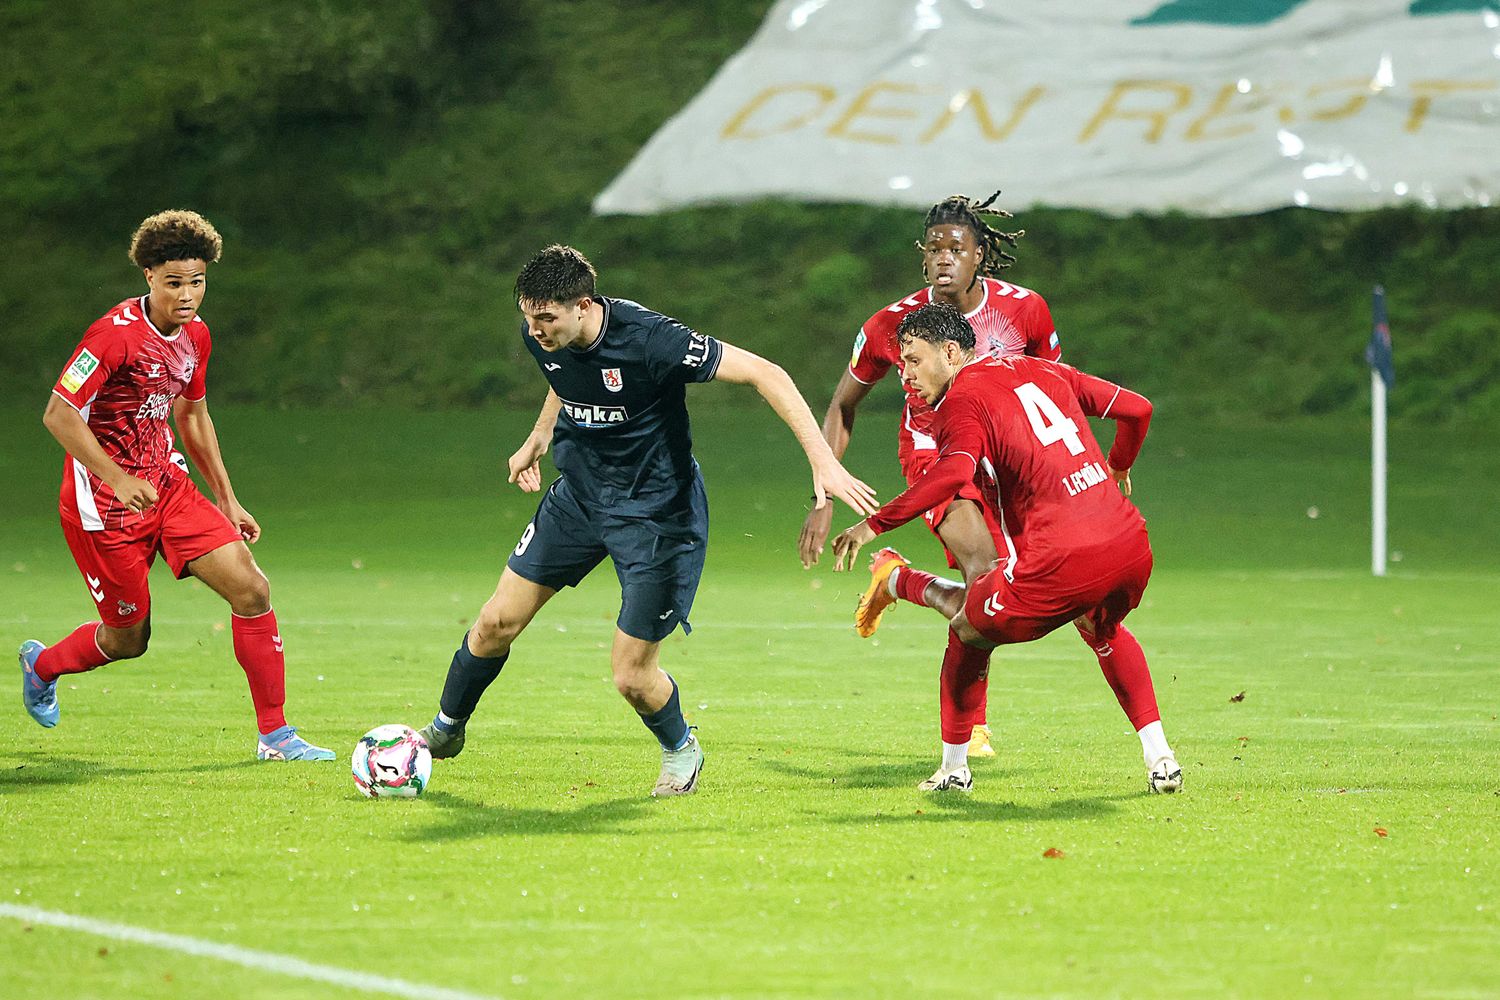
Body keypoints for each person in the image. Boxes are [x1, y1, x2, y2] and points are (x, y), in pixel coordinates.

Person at [418, 245, 877, 797]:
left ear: (583, 305)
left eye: (547, 318)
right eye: (528, 316)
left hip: (659, 516)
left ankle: (681, 748)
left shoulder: (652, 339)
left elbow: (765, 372)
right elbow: (562, 374)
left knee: (631, 675)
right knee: (494, 623)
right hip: (580, 500)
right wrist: (540, 436)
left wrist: (823, 461)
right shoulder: (542, 334)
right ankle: (444, 732)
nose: (535, 330)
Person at [18, 209, 334, 761]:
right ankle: (42, 665)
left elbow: (191, 417)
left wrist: (227, 499)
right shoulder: (111, 338)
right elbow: (58, 414)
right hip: (105, 507)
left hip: (167, 485)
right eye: (174, 283)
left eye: (197, 281)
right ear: (148, 277)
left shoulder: (195, 336)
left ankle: (276, 736)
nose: (187, 295)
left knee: (253, 590)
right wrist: (115, 478)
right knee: (126, 640)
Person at [830, 302, 1181, 794]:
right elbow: (1138, 409)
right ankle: (1162, 759)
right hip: (1130, 546)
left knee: (969, 629)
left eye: (913, 359)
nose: (904, 374)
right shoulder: (1044, 368)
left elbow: (952, 472)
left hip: (1060, 562)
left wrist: (875, 524)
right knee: (1102, 628)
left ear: (951, 352)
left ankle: (953, 769)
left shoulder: (959, 403)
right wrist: (1119, 465)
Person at [798, 192, 1070, 772]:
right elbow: (843, 407)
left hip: (1011, 463)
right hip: (937, 460)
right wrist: (824, 489)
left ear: (980, 257)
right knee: (984, 571)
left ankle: (901, 581)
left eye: (958, 247)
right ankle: (971, 729)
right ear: (924, 258)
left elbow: (1057, 386)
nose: (945, 257)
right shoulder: (890, 325)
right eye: (935, 248)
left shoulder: (1026, 311)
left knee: (1015, 591)